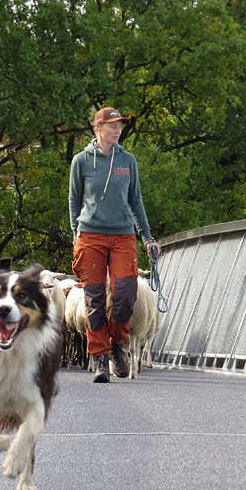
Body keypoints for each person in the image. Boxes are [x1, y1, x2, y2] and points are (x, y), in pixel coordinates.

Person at [69, 106, 160, 383]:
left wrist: (147, 237)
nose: (118, 129)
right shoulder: (81, 161)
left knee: (125, 292)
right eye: (112, 125)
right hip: (91, 235)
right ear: (98, 128)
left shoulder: (127, 160)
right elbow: (74, 200)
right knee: (94, 299)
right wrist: (76, 235)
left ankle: (117, 344)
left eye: (120, 126)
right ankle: (99, 357)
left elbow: (136, 201)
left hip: (122, 235)